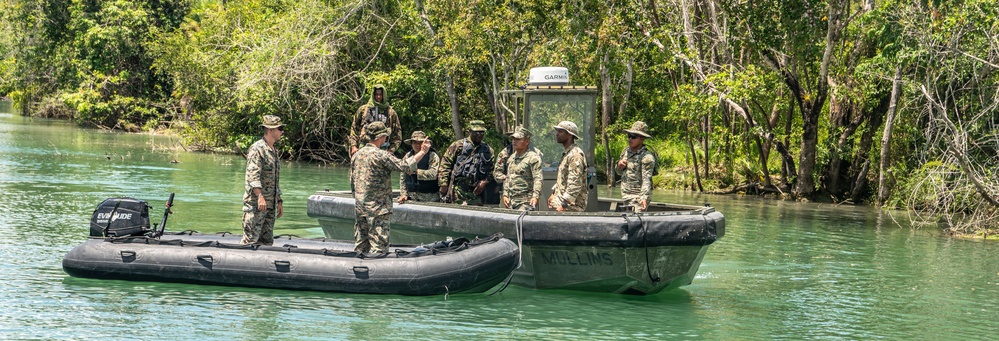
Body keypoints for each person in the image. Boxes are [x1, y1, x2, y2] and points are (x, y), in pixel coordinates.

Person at [351, 121, 431, 254]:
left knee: (361, 245)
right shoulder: (381, 155)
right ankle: (376, 271)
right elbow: (404, 166)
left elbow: (352, 182)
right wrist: (422, 152)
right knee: (379, 247)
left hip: (360, 208)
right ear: (381, 136)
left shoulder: (356, 155)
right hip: (378, 210)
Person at [241, 115, 285, 245]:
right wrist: (259, 196)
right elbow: (252, 175)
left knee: (266, 242)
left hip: (269, 205)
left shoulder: (273, 151)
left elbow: (274, 179)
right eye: (280, 128)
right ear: (271, 130)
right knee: (251, 240)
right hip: (257, 205)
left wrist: (279, 200)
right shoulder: (257, 149)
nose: (282, 132)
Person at [438, 120, 494, 205]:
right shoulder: (458, 146)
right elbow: (445, 164)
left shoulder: (488, 150)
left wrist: (484, 182)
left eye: (481, 132)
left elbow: (492, 170)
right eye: (476, 132)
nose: (479, 134)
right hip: (457, 191)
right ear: (470, 131)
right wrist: (443, 184)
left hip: (476, 193)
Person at [496, 126, 543, 210]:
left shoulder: (533, 158)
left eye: (518, 139)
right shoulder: (511, 158)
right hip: (511, 202)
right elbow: (508, 178)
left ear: (527, 142)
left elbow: (538, 179)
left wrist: (535, 196)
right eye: (513, 139)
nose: (514, 141)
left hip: (525, 202)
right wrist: (505, 194)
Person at [348, 84, 402, 156]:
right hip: (364, 147)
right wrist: (353, 146)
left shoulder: (391, 113)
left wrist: (391, 150)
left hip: (383, 149)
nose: (378, 97)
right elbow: (354, 128)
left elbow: (397, 135)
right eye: (376, 94)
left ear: (384, 95)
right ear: (373, 95)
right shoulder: (363, 110)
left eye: (380, 94)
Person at [616, 121, 656, 212]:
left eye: (634, 137)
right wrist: (619, 165)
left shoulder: (647, 157)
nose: (630, 139)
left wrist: (643, 198)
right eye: (629, 136)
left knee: (635, 223)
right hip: (626, 196)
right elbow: (618, 172)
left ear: (642, 138)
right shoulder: (626, 152)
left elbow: (647, 180)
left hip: (638, 198)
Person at [548, 120, 588, 212]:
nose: (557, 134)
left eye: (560, 132)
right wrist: (554, 194)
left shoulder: (575, 155)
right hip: (563, 205)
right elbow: (564, 178)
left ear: (569, 135)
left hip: (571, 208)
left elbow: (575, 183)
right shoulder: (567, 154)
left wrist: (564, 204)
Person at [398, 131, 441, 203]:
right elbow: (403, 177)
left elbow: (434, 174)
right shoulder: (408, 156)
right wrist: (403, 194)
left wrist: (416, 172)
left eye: (420, 142)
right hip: (412, 197)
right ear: (411, 144)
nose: (417, 145)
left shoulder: (432, 156)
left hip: (430, 198)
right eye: (415, 142)